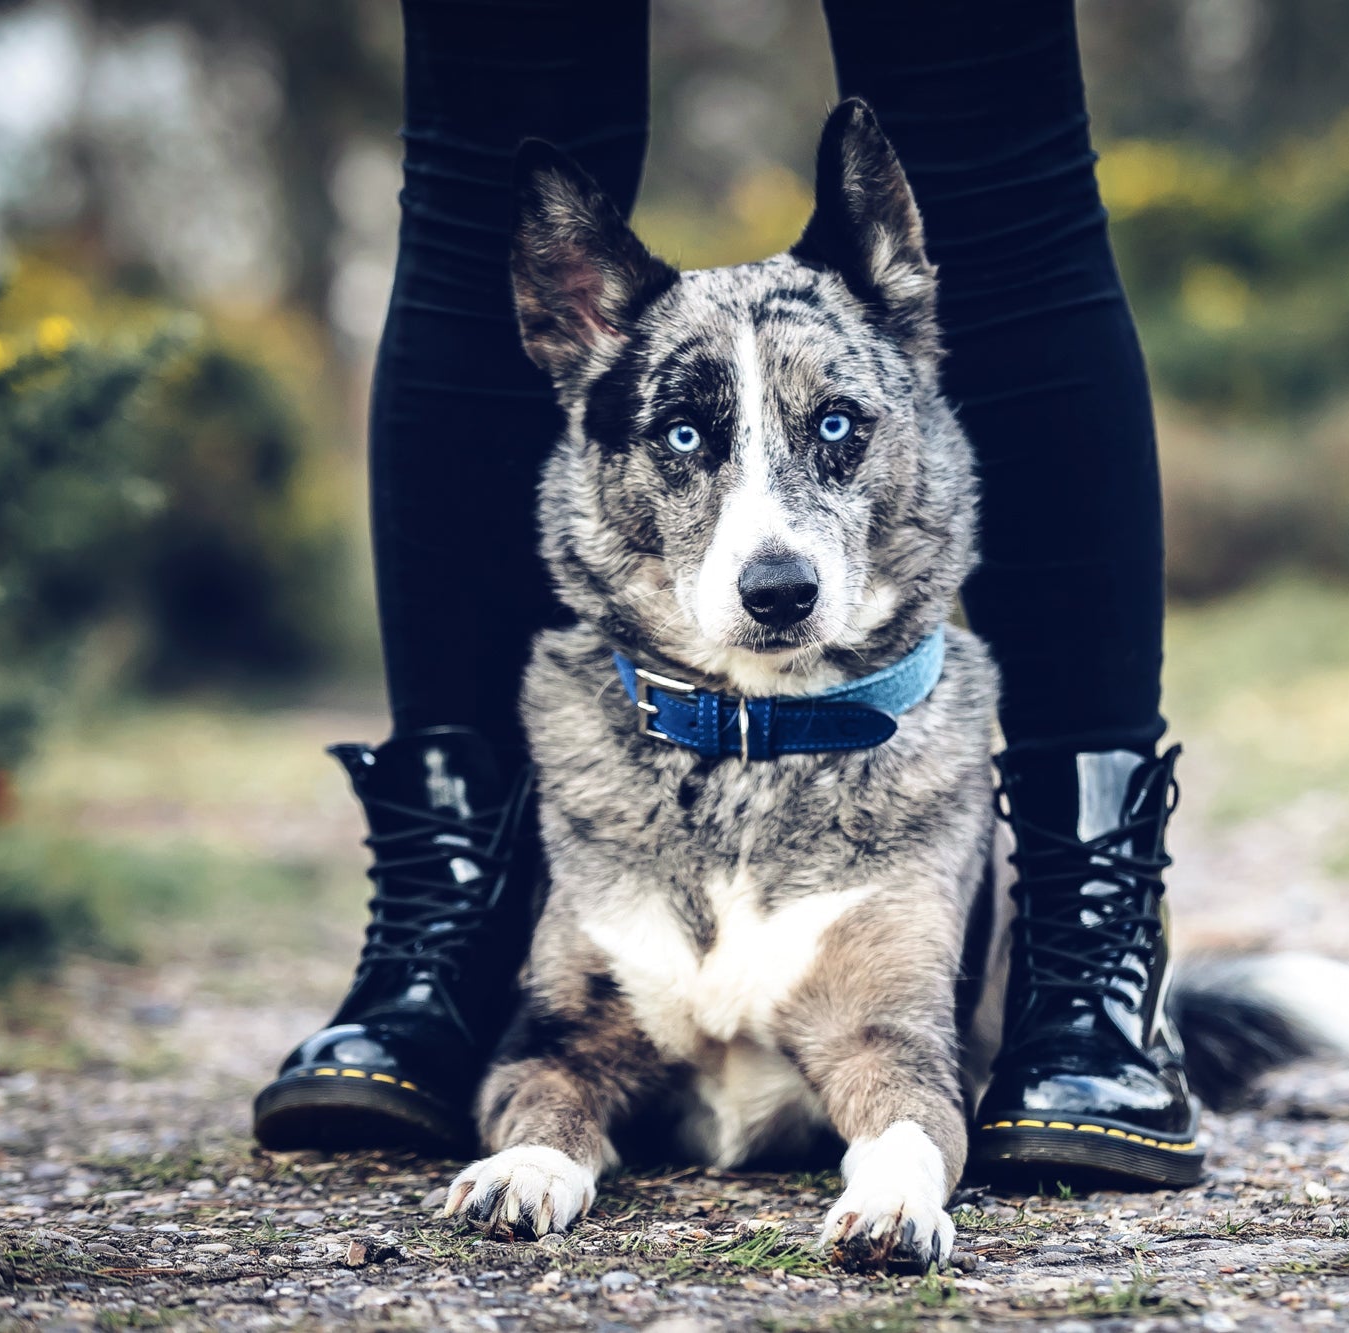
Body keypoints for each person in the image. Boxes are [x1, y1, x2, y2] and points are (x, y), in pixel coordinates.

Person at [251, 0, 1197, 1185]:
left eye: (838, 426)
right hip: (630, 778)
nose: (775, 548)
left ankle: (1085, 952)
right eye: (691, 437)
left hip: (886, 797)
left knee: (992, 146)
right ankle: (444, 924)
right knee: (488, 131)